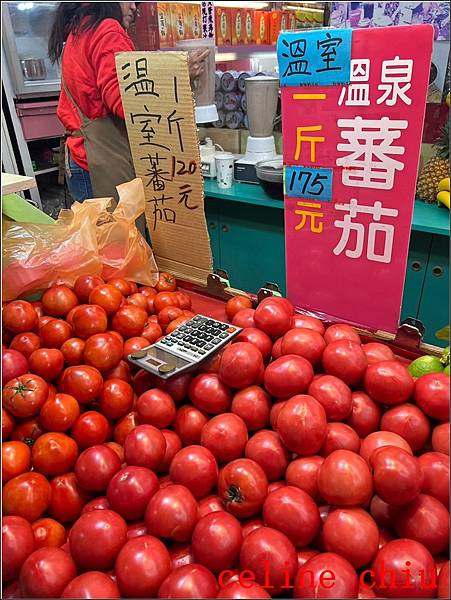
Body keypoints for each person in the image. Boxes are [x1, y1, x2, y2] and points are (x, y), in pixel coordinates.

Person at [48, 2, 208, 203]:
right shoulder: (107, 30)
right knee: (120, 233)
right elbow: (127, 101)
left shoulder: (80, 30)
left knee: (99, 233)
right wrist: (178, 73)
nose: (134, 7)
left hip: (81, 157)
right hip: (99, 162)